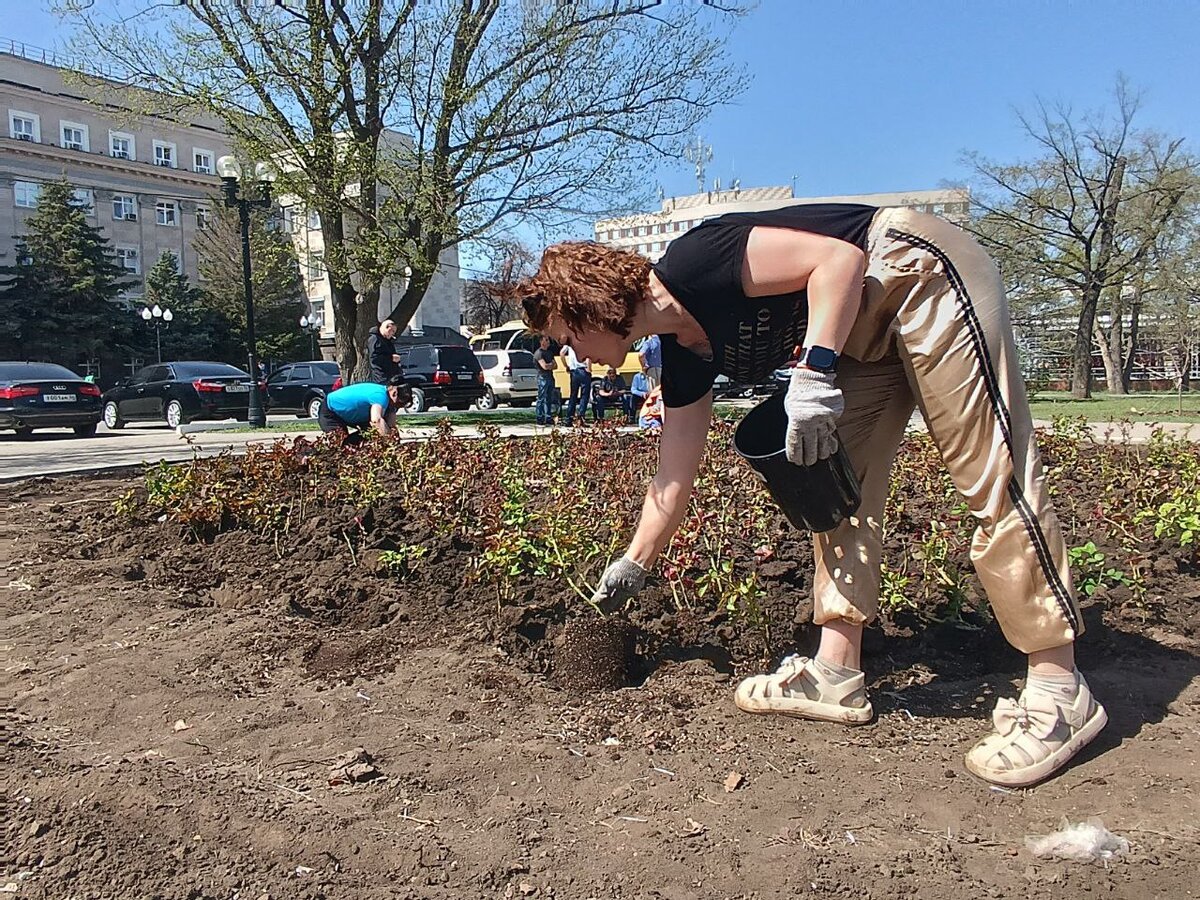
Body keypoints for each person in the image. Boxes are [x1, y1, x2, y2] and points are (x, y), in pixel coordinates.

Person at [516, 203, 1105, 788]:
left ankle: (1059, 688)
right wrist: (635, 563)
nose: (570, 354)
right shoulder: (680, 360)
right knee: (829, 483)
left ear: (589, 305)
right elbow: (675, 474)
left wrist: (815, 370)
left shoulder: (694, 262)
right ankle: (837, 672)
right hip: (859, 334)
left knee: (989, 467)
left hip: (910, 270)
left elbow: (838, 259)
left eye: (565, 336)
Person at [318, 375, 406, 441]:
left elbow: (391, 426)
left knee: (371, 434)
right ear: (394, 393)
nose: (396, 407)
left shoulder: (389, 402)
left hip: (351, 414)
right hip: (331, 411)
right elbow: (376, 421)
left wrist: (395, 440)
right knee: (339, 444)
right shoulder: (381, 396)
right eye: (398, 403)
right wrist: (390, 442)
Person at [561, 342, 592, 424]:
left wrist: (566, 366)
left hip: (574, 372)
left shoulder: (570, 341)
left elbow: (562, 353)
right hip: (583, 370)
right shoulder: (585, 340)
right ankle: (581, 418)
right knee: (584, 396)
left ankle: (569, 419)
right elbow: (588, 356)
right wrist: (589, 369)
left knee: (573, 396)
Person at [532, 335, 558, 426]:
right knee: (541, 398)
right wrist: (550, 365)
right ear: (541, 341)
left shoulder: (550, 353)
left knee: (549, 398)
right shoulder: (539, 353)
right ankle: (540, 417)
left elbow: (556, 365)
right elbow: (544, 366)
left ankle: (548, 417)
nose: (548, 342)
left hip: (550, 377)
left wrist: (550, 365)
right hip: (542, 377)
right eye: (546, 340)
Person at [367, 319, 401, 384]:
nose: (393, 334)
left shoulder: (386, 340)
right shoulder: (375, 339)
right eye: (392, 331)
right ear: (387, 328)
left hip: (389, 376)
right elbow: (375, 358)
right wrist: (391, 358)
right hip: (381, 377)